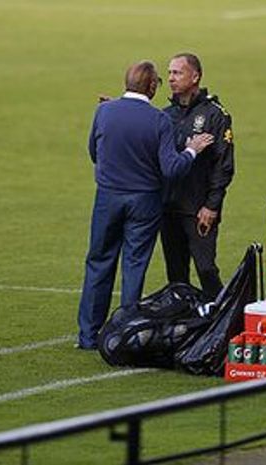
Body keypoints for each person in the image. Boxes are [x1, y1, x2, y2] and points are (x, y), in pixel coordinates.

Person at [76, 60, 214, 350]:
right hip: (144, 201)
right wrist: (192, 149)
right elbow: (172, 168)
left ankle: (87, 336)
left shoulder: (104, 111)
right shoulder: (158, 120)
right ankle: (122, 334)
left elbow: (94, 152)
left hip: (108, 196)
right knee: (134, 265)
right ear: (152, 86)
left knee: (99, 262)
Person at [161, 53, 235, 302]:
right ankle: (184, 328)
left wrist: (212, 205)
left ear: (195, 76)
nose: (171, 78)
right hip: (169, 207)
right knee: (176, 275)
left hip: (198, 209)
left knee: (206, 269)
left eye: (177, 72)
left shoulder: (215, 114)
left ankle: (221, 320)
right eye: (169, 73)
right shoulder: (165, 115)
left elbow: (223, 165)